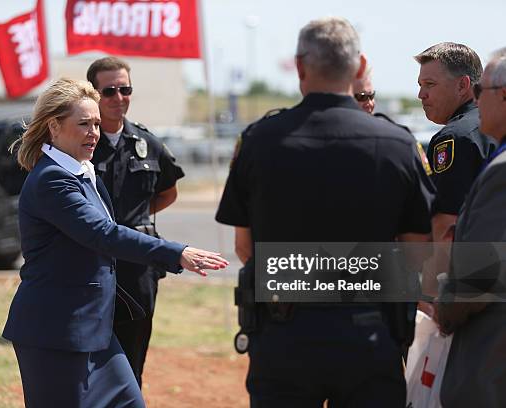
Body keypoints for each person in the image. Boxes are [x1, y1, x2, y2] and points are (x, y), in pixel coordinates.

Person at [216, 17, 434, 407]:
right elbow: (417, 251)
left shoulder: (259, 140)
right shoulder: (397, 144)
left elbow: (245, 248)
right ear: (360, 66)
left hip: (284, 333)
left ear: (300, 66)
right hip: (370, 334)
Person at [2, 78, 227, 408]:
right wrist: (176, 253)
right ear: (54, 127)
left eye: (96, 123)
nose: (94, 133)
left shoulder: (79, 172)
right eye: (84, 124)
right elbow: (103, 234)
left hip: (94, 329)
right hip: (56, 334)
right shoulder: (53, 179)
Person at [85, 56, 184, 386]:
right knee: (88, 363)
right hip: (90, 266)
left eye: (124, 89)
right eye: (109, 90)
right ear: (93, 94)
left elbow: (168, 192)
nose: (118, 98)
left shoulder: (147, 144)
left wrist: (136, 219)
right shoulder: (81, 144)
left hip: (137, 269)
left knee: (131, 363)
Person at [435, 50, 506, 408]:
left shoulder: (502, 171)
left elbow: (475, 279)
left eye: (482, 91)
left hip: (492, 360)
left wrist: (442, 307)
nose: (476, 102)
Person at [415, 43, 497, 296]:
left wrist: (429, 293)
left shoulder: (455, 138)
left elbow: (446, 223)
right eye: (420, 85)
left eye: (429, 85)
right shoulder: (493, 127)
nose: (420, 95)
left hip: (472, 286)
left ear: (463, 85)